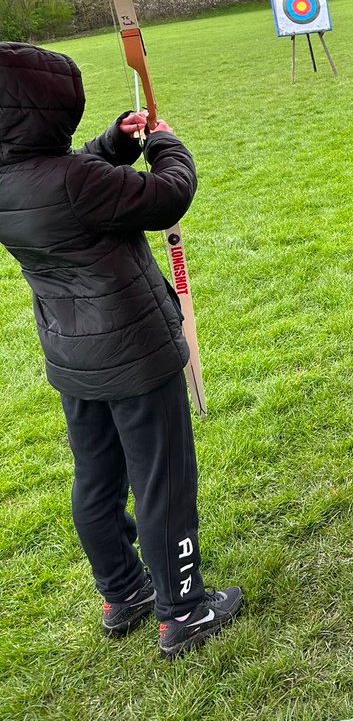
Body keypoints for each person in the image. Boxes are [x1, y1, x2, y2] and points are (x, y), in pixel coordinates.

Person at [0, 41, 243, 657]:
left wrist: (112, 142)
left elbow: (61, 178)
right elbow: (166, 198)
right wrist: (166, 144)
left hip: (73, 358)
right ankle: (183, 610)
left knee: (98, 478)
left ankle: (123, 592)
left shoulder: (20, 177)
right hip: (134, 354)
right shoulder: (75, 181)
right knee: (162, 480)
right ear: (47, 110)